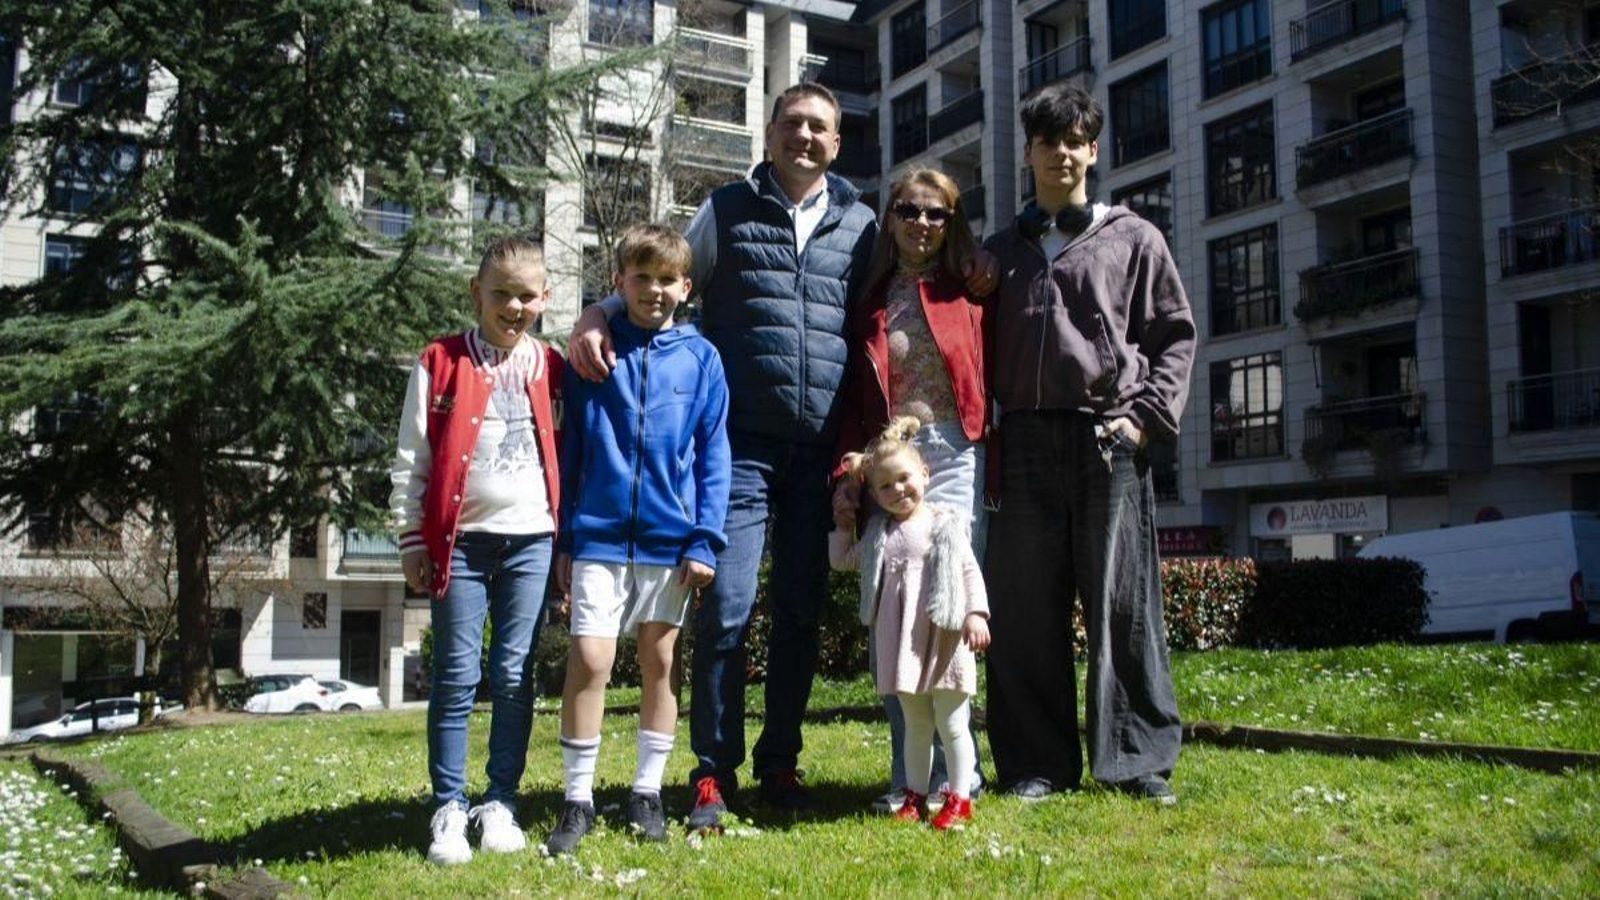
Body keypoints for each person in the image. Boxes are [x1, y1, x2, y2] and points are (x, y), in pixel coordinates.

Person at [569, 82, 998, 833]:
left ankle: (781, 763)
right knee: (728, 608)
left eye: (820, 128)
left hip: (820, 451)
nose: (805, 137)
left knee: (800, 613)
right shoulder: (726, 210)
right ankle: (712, 772)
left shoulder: (864, 224)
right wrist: (598, 310)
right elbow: (663, 271)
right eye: (793, 124)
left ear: (837, 144)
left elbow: (905, 292)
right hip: (737, 449)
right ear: (770, 133)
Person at [982, 84, 1196, 804]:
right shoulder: (997, 252)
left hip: (1109, 440)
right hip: (1021, 445)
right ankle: (1035, 765)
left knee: (1123, 606)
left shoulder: (1136, 237)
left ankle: (1138, 761)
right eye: (1050, 141)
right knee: (1023, 612)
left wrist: (1144, 419)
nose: (1062, 152)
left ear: (1093, 151)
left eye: (1076, 140)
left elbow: (1174, 336)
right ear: (1031, 152)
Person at [543, 224, 731, 855]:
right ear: (619, 283)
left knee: (659, 664)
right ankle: (577, 799)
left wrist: (704, 539)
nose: (653, 289)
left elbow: (714, 457)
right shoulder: (594, 352)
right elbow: (571, 449)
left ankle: (647, 792)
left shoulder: (702, 359)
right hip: (597, 537)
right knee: (591, 661)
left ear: (685, 285)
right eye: (640, 277)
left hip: (668, 542)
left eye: (666, 278)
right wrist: (566, 535)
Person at [389, 235, 562, 864]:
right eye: (501, 295)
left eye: (526, 296)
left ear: (544, 298)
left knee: (514, 675)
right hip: (460, 544)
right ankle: (449, 806)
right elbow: (413, 456)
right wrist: (412, 536)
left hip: (533, 541)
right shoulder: (440, 361)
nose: (513, 308)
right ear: (476, 294)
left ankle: (501, 803)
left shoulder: (551, 365)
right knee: (456, 675)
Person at [831, 168, 988, 812]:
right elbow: (852, 394)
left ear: (951, 224)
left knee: (947, 603)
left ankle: (961, 772)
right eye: (909, 210)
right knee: (896, 611)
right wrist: (848, 477)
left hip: (952, 456)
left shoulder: (970, 292)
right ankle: (907, 777)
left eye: (937, 214)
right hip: (889, 458)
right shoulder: (868, 300)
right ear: (889, 217)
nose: (922, 223)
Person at [829, 417, 990, 830]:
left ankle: (959, 798)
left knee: (952, 724)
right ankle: (915, 797)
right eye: (885, 486)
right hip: (903, 645)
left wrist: (976, 614)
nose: (898, 490)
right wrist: (843, 526)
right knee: (916, 726)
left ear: (924, 473)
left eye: (905, 479)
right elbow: (844, 561)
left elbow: (969, 572)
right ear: (874, 494)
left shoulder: (944, 523)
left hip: (945, 638)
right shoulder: (879, 534)